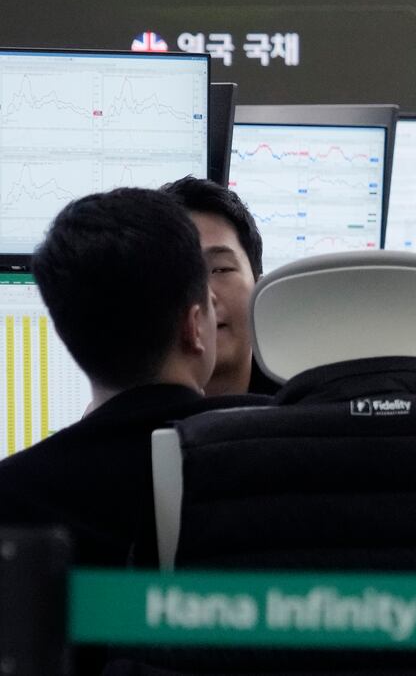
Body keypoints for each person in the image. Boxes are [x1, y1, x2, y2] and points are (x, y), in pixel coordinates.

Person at [0, 188, 265, 567]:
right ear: (194, 328)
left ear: (67, 336)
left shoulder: (14, 495)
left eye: (221, 269)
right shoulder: (283, 458)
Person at [161, 175, 280, 396]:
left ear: (260, 293)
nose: (204, 295)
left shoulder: (307, 411)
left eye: (220, 270)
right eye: (179, 273)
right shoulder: (118, 424)